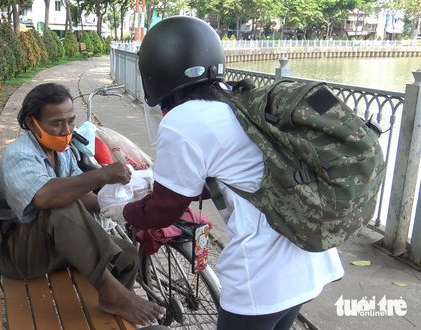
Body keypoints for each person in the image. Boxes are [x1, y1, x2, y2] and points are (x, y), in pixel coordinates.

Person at [101, 16, 345, 329]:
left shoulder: (183, 120)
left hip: (263, 273)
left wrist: (125, 211)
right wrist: (157, 183)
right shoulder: (236, 100)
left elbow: (163, 211)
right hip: (308, 255)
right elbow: (229, 176)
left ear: (156, 72)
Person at [0, 83, 165, 326]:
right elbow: (45, 197)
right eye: (57, 123)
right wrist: (103, 175)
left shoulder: (61, 151)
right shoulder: (19, 155)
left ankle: (108, 314)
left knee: (126, 255)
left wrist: (116, 205)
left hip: (54, 243)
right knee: (59, 204)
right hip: (19, 255)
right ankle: (115, 295)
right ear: (31, 123)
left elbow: (77, 193)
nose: (66, 130)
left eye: (71, 121)